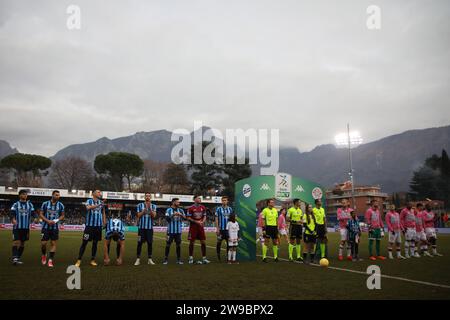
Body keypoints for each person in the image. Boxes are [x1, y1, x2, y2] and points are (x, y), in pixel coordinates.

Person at [75, 190, 107, 267]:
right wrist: (100, 204)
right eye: (98, 192)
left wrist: (104, 222)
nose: (100, 193)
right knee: (84, 243)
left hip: (98, 226)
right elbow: (88, 208)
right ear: (93, 194)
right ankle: (79, 260)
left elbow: (103, 212)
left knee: (95, 243)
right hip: (89, 226)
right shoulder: (89, 201)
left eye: (100, 192)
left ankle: (92, 260)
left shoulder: (101, 202)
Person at [39, 190, 65, 267]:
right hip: (45, 227)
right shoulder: (45, 204)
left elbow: (62, 215)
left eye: (58, 195)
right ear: (52, 195)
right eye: (56, 195)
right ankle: (44, 255)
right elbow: (41, 214)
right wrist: (47, 221)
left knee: (53, 243)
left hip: (55, 227)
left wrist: (56, 220)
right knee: (43, 243)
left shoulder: (61, 205)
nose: (58, 196)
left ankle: (50, 260)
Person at [10, 189, 36, 265]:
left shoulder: (30, 205)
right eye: (23, 194)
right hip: (17, 227)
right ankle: (15, 258)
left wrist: (35, 218)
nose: (25, 195)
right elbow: (12, 213)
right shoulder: (15, 204)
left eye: (26, 194)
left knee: (22, 243)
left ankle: (17, 258)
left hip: (26, 227)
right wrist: (13, 219)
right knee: (16, 242)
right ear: (20, 195)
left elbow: (33, 213)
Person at [134, 193, 157, 266]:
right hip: (141, 228)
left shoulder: (154, 206)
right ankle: (138, 259)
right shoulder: (139, 205)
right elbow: (138, 215)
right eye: (146, 196)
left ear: (150, 197)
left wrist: (149, 208)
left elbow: (154, 216)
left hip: (149, 228)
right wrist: (144, 210)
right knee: (139, 243)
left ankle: (149, 259)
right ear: (144, 197)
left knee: (150, 243)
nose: (147, 197)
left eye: (149, 196)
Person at [187, 195, 210, 264]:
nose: (200, 199)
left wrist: (202, 221)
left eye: (200, 198)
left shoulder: (203, 207)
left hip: (200, 227)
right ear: (194, 200)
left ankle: (204, 258)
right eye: (198, 198)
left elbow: (205, 216)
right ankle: (190, 258)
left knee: (203, 242)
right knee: (192, 242)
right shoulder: (190, 208)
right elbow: (188, 218)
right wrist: (196, 222)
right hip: (193, 227)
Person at [163, 198, 185, 264]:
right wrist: (173, 215)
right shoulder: (168, 210)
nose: (179, 203)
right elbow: (167, 219)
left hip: (178, 231)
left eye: (179, 202)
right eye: (177, 202)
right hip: (170, 231)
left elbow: (185, 217)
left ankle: (178, 260)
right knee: (168, 245)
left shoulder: (180, 210)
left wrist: (180, 214)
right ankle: (166, 259)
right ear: (173, 202)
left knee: (178, 245)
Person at [215, 196, 233, 261]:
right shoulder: (218, 209)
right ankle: (218, 255)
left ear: (227, 201)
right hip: (221, 229)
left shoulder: (230, 209)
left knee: (229, 243)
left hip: (228, 230)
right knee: (219, 242)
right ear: (221, 201)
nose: (224, 201)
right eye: (223, 200)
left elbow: (231, 219)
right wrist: (217, 228)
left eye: (225, 200)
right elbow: (216, 219)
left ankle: (227, 255)